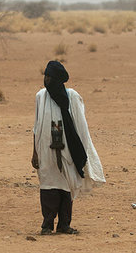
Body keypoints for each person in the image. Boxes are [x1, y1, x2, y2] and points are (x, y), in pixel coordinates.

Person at [31, 60, 105, 234]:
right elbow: (36, 126)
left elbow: (81, 125)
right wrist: (34, 152)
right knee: (48, 185)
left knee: (66, 185)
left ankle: (64, 224)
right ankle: (47, 225)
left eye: (50, 77)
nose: (46, 80)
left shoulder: (72, 97)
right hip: (45, 150)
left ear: (57, 79)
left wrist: (82, 150)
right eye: (45, 77)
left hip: (68, 150)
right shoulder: (41, 96)